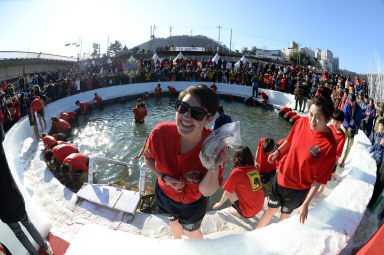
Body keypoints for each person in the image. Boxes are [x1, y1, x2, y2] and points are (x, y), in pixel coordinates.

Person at [143, 84, 227, 239]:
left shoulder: (214, 146)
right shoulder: (159, 134)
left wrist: (213, 165)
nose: (186, 117)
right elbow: (148, 160)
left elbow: (206, 191)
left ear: (209, 119)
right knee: (173, 223)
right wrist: (164, 177)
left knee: (191, 231)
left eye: (197, 113)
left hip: (193, 205)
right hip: (164, 195)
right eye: (182, 108)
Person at [256, 86, 337, 229]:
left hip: (298, 190)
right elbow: (289, 140)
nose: (312, 120)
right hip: (281, 177)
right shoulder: (301, 122)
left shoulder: (329, 145)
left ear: (328, 118)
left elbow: (319, 180)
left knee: (284, 218)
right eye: (310, 114)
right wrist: (278, 152)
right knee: (269, 211)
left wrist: (306, 204)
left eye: (318, 118)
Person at [0, 123, 53, 255]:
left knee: (19, 234)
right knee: (27, 223)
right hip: (13, 195)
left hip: (3, 207)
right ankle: (45, 247)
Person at [213, 146, 264, 218]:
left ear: (237, 158)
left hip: (249, 213)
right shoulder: (255, 168)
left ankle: (239, 213)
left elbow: (227, 192)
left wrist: (219, 204)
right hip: (260, 206)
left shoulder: (236, 173)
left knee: (230, 191)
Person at [316, 110, 346, 198]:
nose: (335, 124)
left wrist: (333, 162)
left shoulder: (342, 136)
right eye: (334, 121)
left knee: (325, 176)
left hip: (331, 160)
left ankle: (322, 189)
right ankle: (334, 174)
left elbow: (338, 152)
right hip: (323, 156)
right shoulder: (329, 128)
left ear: (341, 123)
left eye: (337, 122)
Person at [339, 93, 362, 167]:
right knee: (342, 142)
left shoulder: (359, 109)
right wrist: (348, 127)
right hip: (346, 127)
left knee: (349, 146)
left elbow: (359, 121)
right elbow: (344, 117)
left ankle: (343, 160)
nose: (351, 103)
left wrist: (356, 129)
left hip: (353, 129)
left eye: (353, 101)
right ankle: (337, 157)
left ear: (355, 100)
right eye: (350, 101)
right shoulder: (347, 105)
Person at [367, 118, 384, 212]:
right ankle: (370, 200)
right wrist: (368, 151)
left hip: (382, 162)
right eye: (379, 125)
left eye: (382, 126)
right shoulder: (378, 135)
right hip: (377, 161)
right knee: (375, 182)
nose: (380, 127)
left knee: (379, 184)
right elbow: (375, 145)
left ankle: (372, 205)